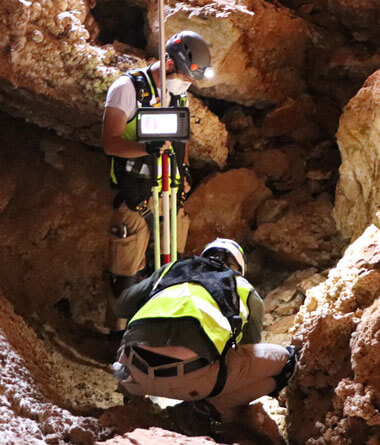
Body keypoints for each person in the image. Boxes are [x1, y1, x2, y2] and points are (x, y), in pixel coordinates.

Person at [112, 238, 297, 436]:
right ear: (238, 268)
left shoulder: (171, 269)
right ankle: (203, 410)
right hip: (190, 381)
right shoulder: (241, 286)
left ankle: (132, 396)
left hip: (131, 372)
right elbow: (246, 348)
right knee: (285, 362)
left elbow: (121, 306)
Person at [102, 31, 213, 329]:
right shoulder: (126, 90)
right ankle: (119, 338)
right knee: (126, 273)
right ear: (167, 64)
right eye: (184, 76)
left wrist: (185, 170)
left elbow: (181, 137)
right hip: (136, 194)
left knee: (171, 267)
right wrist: (143, 149)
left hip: (170, 193)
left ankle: (162, 331)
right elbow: (110, 142)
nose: (186, 83)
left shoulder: (178, 94)